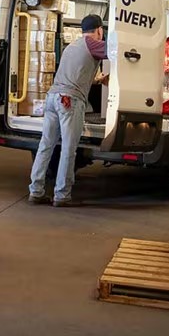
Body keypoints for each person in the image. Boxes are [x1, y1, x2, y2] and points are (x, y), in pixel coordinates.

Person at [28, 13, 108, 207]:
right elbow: (119, 51)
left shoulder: (72, 46)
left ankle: (36, 191)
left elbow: (75, 71)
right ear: (99, 30)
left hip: (53, 98)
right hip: (69, 102)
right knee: (68, 149)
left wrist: (98, 78)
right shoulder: (94, 44)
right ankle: (62, 195)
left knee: (45, 145)